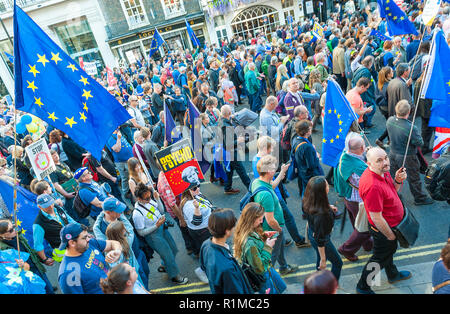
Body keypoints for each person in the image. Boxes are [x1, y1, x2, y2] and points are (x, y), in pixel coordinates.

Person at [356, 147, 412, 294]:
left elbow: (392, 191)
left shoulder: (383, 172)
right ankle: (363, 286)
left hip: (390, 225)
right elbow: (376, 217)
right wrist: (390, 235)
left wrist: (398, 180)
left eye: (385, 157)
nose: (385, 162)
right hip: (384, 229)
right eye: (379, 160)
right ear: (369, 164)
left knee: (388, 253)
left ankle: (392, 275)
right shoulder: (372, 186)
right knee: (379, 259)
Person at [132, 183, 188, 285]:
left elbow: (161, 210)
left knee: (174, 249)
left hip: (162, 228)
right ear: (139, 199)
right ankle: (175, 276)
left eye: (150, 196)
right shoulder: (137, 214)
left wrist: (157, 199)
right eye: (146, 198)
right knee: (168, 255)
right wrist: (156, 226)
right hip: (153, 236)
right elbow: (141, 232)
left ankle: (164, 265)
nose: (149, 199)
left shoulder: (149, 200)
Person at [252, 155, 298, 275]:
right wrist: (279, 229)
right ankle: (266, 278)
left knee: (280, 246)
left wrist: (282, 172)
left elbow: (271, 186)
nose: (275, 170)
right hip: (272, 229)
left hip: (272, 229)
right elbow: (270, 220)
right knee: (271, 254)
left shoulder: (258, 182)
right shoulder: (266, 196)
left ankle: (283, 266)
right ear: (268, 172)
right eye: (273, 169)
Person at [333, 134, 373, 261]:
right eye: (364, 147)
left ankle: (368, 244)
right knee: (364, 228)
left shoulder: (345, 155)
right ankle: (346, 249)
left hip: (349, 197)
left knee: (357, 223)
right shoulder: (358, 169)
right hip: (358, 201)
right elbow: (367, 183)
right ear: (361, 148)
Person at [386, 100, 434, 206]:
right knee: (414, 178)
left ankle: (393, 195)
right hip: (407, 156)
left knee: (392, 176)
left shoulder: (390, 120)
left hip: (393, 153)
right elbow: (419, 142)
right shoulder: (411, 127)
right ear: (408, 112)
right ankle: (419, 198)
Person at [233, 202, 287, 294]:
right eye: (260, 219)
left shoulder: (244, 229)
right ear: (251, 220)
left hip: (267, 271)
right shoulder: (250, 244)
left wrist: (263, 236)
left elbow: (254, 240)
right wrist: (268, 247)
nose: (261, 222)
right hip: (263, 277)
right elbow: (260, 268)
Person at [58, 223, 123, 294]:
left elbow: (113, 243)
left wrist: (117, 251)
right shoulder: (68, 273)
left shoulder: (89, 244)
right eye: (84, 237)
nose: (88, 239)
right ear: (72, 243)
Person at [199, 208, 253, 294]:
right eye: (233, 226)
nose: (234, 228)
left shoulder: (206, 244)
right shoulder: (228, 269)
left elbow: (203, 266)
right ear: (227, 231)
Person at [302, 176, 343, 281]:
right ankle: (329, 287)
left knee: (319, 259)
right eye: (326, 185)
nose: (328, 186)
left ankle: (318, 282)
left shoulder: (307, 200)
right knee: (338, 263)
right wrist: (324, 260)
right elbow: (321, 239)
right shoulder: (323, 215)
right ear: (322, 191)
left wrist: (328, 206)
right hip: (320, 239)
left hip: (312, 232)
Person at [0, 218, 54, 294]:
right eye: (11, 230)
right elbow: (6, 271)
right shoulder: (3, 250)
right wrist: (18, 265)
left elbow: (30, 251)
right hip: (25, 274)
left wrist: (43, 259)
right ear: (2, 235)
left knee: (49, 289)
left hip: (35, 267)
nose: (15, 230)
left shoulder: (18, 236)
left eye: (14, 226)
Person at [33, 193, 77, 264]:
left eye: (51, 203)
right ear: (39, 207)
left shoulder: (56, 207)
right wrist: (44, 259)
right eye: (46, 206)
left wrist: (82, 229)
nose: (50, 207)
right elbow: (38, 245)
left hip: (76, 241)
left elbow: (69, 219)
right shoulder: (38, 224)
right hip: (63, 251)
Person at [219, 104, 251, 195]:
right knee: (241, 170)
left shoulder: (222, 120)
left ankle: (227, 187)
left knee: (229, 169)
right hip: (231, 152)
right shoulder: (226, 126)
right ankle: (250, 188)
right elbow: (228, 144)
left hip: (227, 152)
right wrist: (238, 141)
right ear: (229, 113)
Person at [291, 119, 324, 196]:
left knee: (305, 191)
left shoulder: (296, 140)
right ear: (307, 132)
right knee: (310, 194)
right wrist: (316, 156)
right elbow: (311, 165)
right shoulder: (307, 147)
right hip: (308, 175)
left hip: (301, 171)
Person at [179, 185, 214, 257]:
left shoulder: (196, 195)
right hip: (203, 231)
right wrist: (197, 208)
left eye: (198, 186)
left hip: (208, 227)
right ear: (187, 191)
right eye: (194, 188)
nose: (198, 189)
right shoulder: (188, 205)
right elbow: (196, 222)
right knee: (210, 251)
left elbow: (209, 204)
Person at [106, 128, 134, 199]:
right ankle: (126, 193)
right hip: (122, 162)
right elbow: (117, 149)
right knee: (125, 177)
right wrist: (118, 138)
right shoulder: (110, 137)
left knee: (132, 175)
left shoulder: (118, 132)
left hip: (130, 159)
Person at [375, 66, 394, 149]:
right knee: (391, 125)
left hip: (382, 107)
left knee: (389, 122)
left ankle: (390, 140)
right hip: (388, 107)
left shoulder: (379, 82)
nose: (393, 72)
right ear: (388, 74)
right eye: (392, 71)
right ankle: (380, 139)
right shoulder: (389, 84)